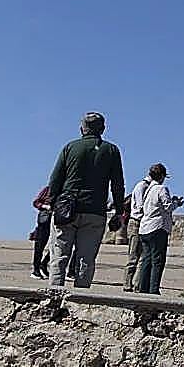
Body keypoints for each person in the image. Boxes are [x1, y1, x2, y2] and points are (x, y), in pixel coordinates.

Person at [46, 112, 125, 288]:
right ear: (103, 129)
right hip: (95, 211)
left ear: (82, 128)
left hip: (67, 209)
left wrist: (51, 204)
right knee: (86, 259)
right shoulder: (111, 150)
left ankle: (54, 294)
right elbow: (118, 184)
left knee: (59, 256)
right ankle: (80, 298)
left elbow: (55, 179)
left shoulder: (70, 147)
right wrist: (119, 211)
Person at [136, 164, 184, 295]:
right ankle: (153, 290)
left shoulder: (147, 189)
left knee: (147, 260)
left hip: (145, 228)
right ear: (162, 176)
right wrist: (176, 204)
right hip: (157, 228)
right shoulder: (161, 189)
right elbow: (167, 207)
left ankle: (143, 288)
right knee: (158, 260)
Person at [124, 169, 153, 291]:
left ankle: (137, 284)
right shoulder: (142, 186)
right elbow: (141, 206)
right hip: (136, 222)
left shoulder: (149, 187)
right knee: (133, 256)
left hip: (144, 224)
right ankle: (127, 283)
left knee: (143, 257)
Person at [30, 186, 53, 279]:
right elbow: (36, 202)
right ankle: (36, 269)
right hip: (45, 220)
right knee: (39, 246)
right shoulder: (48, 189)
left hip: (59, 222)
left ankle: (44, 264)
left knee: (57, 246)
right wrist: (46, 207)